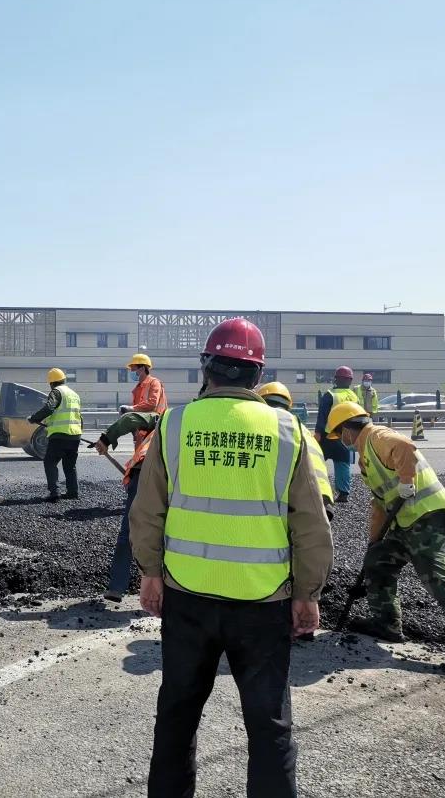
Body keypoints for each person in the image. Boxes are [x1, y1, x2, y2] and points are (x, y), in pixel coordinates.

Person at [130, 318, 333, 798]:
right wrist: (308, 594)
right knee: (269, 726)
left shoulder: (176, 423)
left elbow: (148, 509)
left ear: (207, 367)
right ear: (257, 374)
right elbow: (310, 522)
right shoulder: (287, 429)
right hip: (263, 602)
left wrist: (150, 573)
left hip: (187, 595)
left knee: (177, 716)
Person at [328, 401, 445, 677]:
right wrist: (374, 541)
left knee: (437, 581)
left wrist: (408, 481)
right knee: (378, 562)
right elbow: (380, 504)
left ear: (347, 429)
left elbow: (405, 446)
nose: (341, 440)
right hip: (405, 523)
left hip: (427, 518)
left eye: (339, 434)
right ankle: (386, 624)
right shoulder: (366, 455)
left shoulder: (377, 435)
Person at [94, 410, 160, 603]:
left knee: (129, 532)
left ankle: (116, 587)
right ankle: (167, 592)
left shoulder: (165, 418)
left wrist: (105, 439)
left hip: (144, 474)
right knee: (168, 535)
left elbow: (130, 418)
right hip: (176, 477)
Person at [258, 381, 335, 520]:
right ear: (288, 406)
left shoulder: (263, 429)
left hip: (293, 501)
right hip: (322, 497)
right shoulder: (302, 430)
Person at [28, 368, 83, 503]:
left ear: (51, 383)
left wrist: (34, 418)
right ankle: (73, 492)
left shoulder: (56, 392)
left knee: (50, 462)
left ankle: (54, 493)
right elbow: (79, 417)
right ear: (64, 379)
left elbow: (49, 407)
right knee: (70, 465)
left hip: (60, 435)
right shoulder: (74, 394)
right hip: (75, 435)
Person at [314, 365, 359, 502]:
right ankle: (343, 494)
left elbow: (322, 416)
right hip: (346, 437)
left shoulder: (330, 395)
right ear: (350, 380)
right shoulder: (354, 396)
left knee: (316, 463)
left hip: (328, 436)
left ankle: (317, 491)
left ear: (336, 379)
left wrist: (318, 433)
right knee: (343, 464)